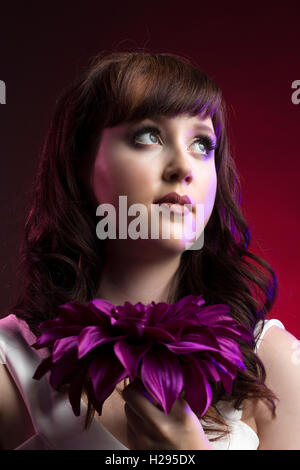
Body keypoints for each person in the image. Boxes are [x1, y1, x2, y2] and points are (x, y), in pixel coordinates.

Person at [0, 50, 299, 451]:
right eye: (148, 136)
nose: (183, 166)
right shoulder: (8, 366)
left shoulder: (276, 368)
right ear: (81, 162)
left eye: (202, 143)